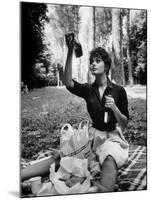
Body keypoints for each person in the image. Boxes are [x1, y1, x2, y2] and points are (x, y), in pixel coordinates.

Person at [63, 34, 129, 192]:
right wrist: (71, 50)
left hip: (112, 136)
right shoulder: (88, 90)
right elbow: (68, 82)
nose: (93, 64)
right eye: (91, 61)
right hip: (93, 135)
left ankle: (99, 187)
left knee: (109, 157)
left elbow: (124, 123)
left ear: (106, 66)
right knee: (64, 156)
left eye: (97, 61)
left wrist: (114, 108)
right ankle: (22, 174)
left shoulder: (119, 91)